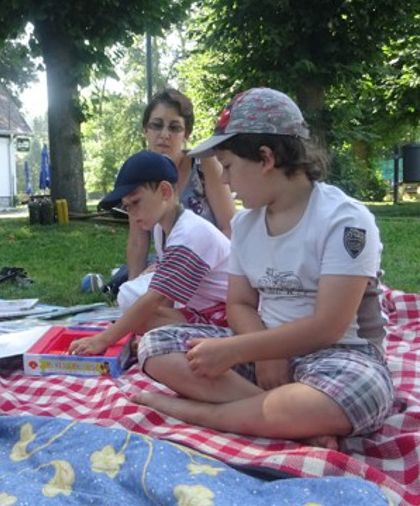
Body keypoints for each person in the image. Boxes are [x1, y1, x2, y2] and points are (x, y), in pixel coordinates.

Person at [132, 88, 395, 449]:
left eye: (228, 166)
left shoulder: (345, 220)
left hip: (341, 357)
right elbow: (239, 303)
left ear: (265, 158)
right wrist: (263, 352)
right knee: (156, 345)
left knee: (364, 391)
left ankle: (200, 412)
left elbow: (329, 325)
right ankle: (286, 416)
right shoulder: (245, 225)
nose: (225, 181)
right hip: (263, 354)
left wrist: (243, 350)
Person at [70, 150, 231, 356]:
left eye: (136, 202)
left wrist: (103, 339)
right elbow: (166, 300)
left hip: (227, 319)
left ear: (165, 191)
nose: (131, 213)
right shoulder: (162, 228)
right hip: (200, 312)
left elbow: (156, 298)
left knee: (144, 327)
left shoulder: (190, 233)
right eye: (127, 207)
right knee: (136, 313)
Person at [112, 88, 234, 308]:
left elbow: (230, 228)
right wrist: (135, 284)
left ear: (186, 134)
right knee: (129, 292)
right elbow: (138, 241)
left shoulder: (205, 165)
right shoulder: (138, 172)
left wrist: (184, 268)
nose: (165, 134)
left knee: (147, 297)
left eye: (174, 127)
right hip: (168, 265)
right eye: (157, 125)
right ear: (145, 130)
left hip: (208, 269)